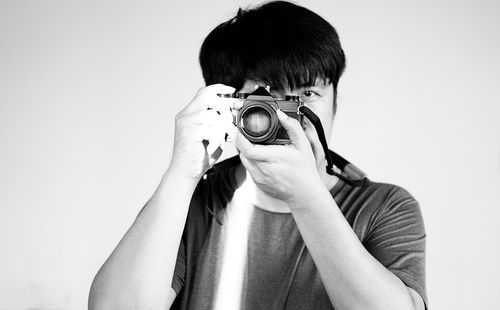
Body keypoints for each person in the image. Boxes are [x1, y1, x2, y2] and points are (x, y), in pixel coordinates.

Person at [88, 1, 427, 309]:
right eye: (269, 98)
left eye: (309, 92)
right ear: (227, 105)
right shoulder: (193, 201)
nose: (291, 115)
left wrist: (306, 196)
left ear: (336, 101)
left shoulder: (384, 207)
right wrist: (181, 174)